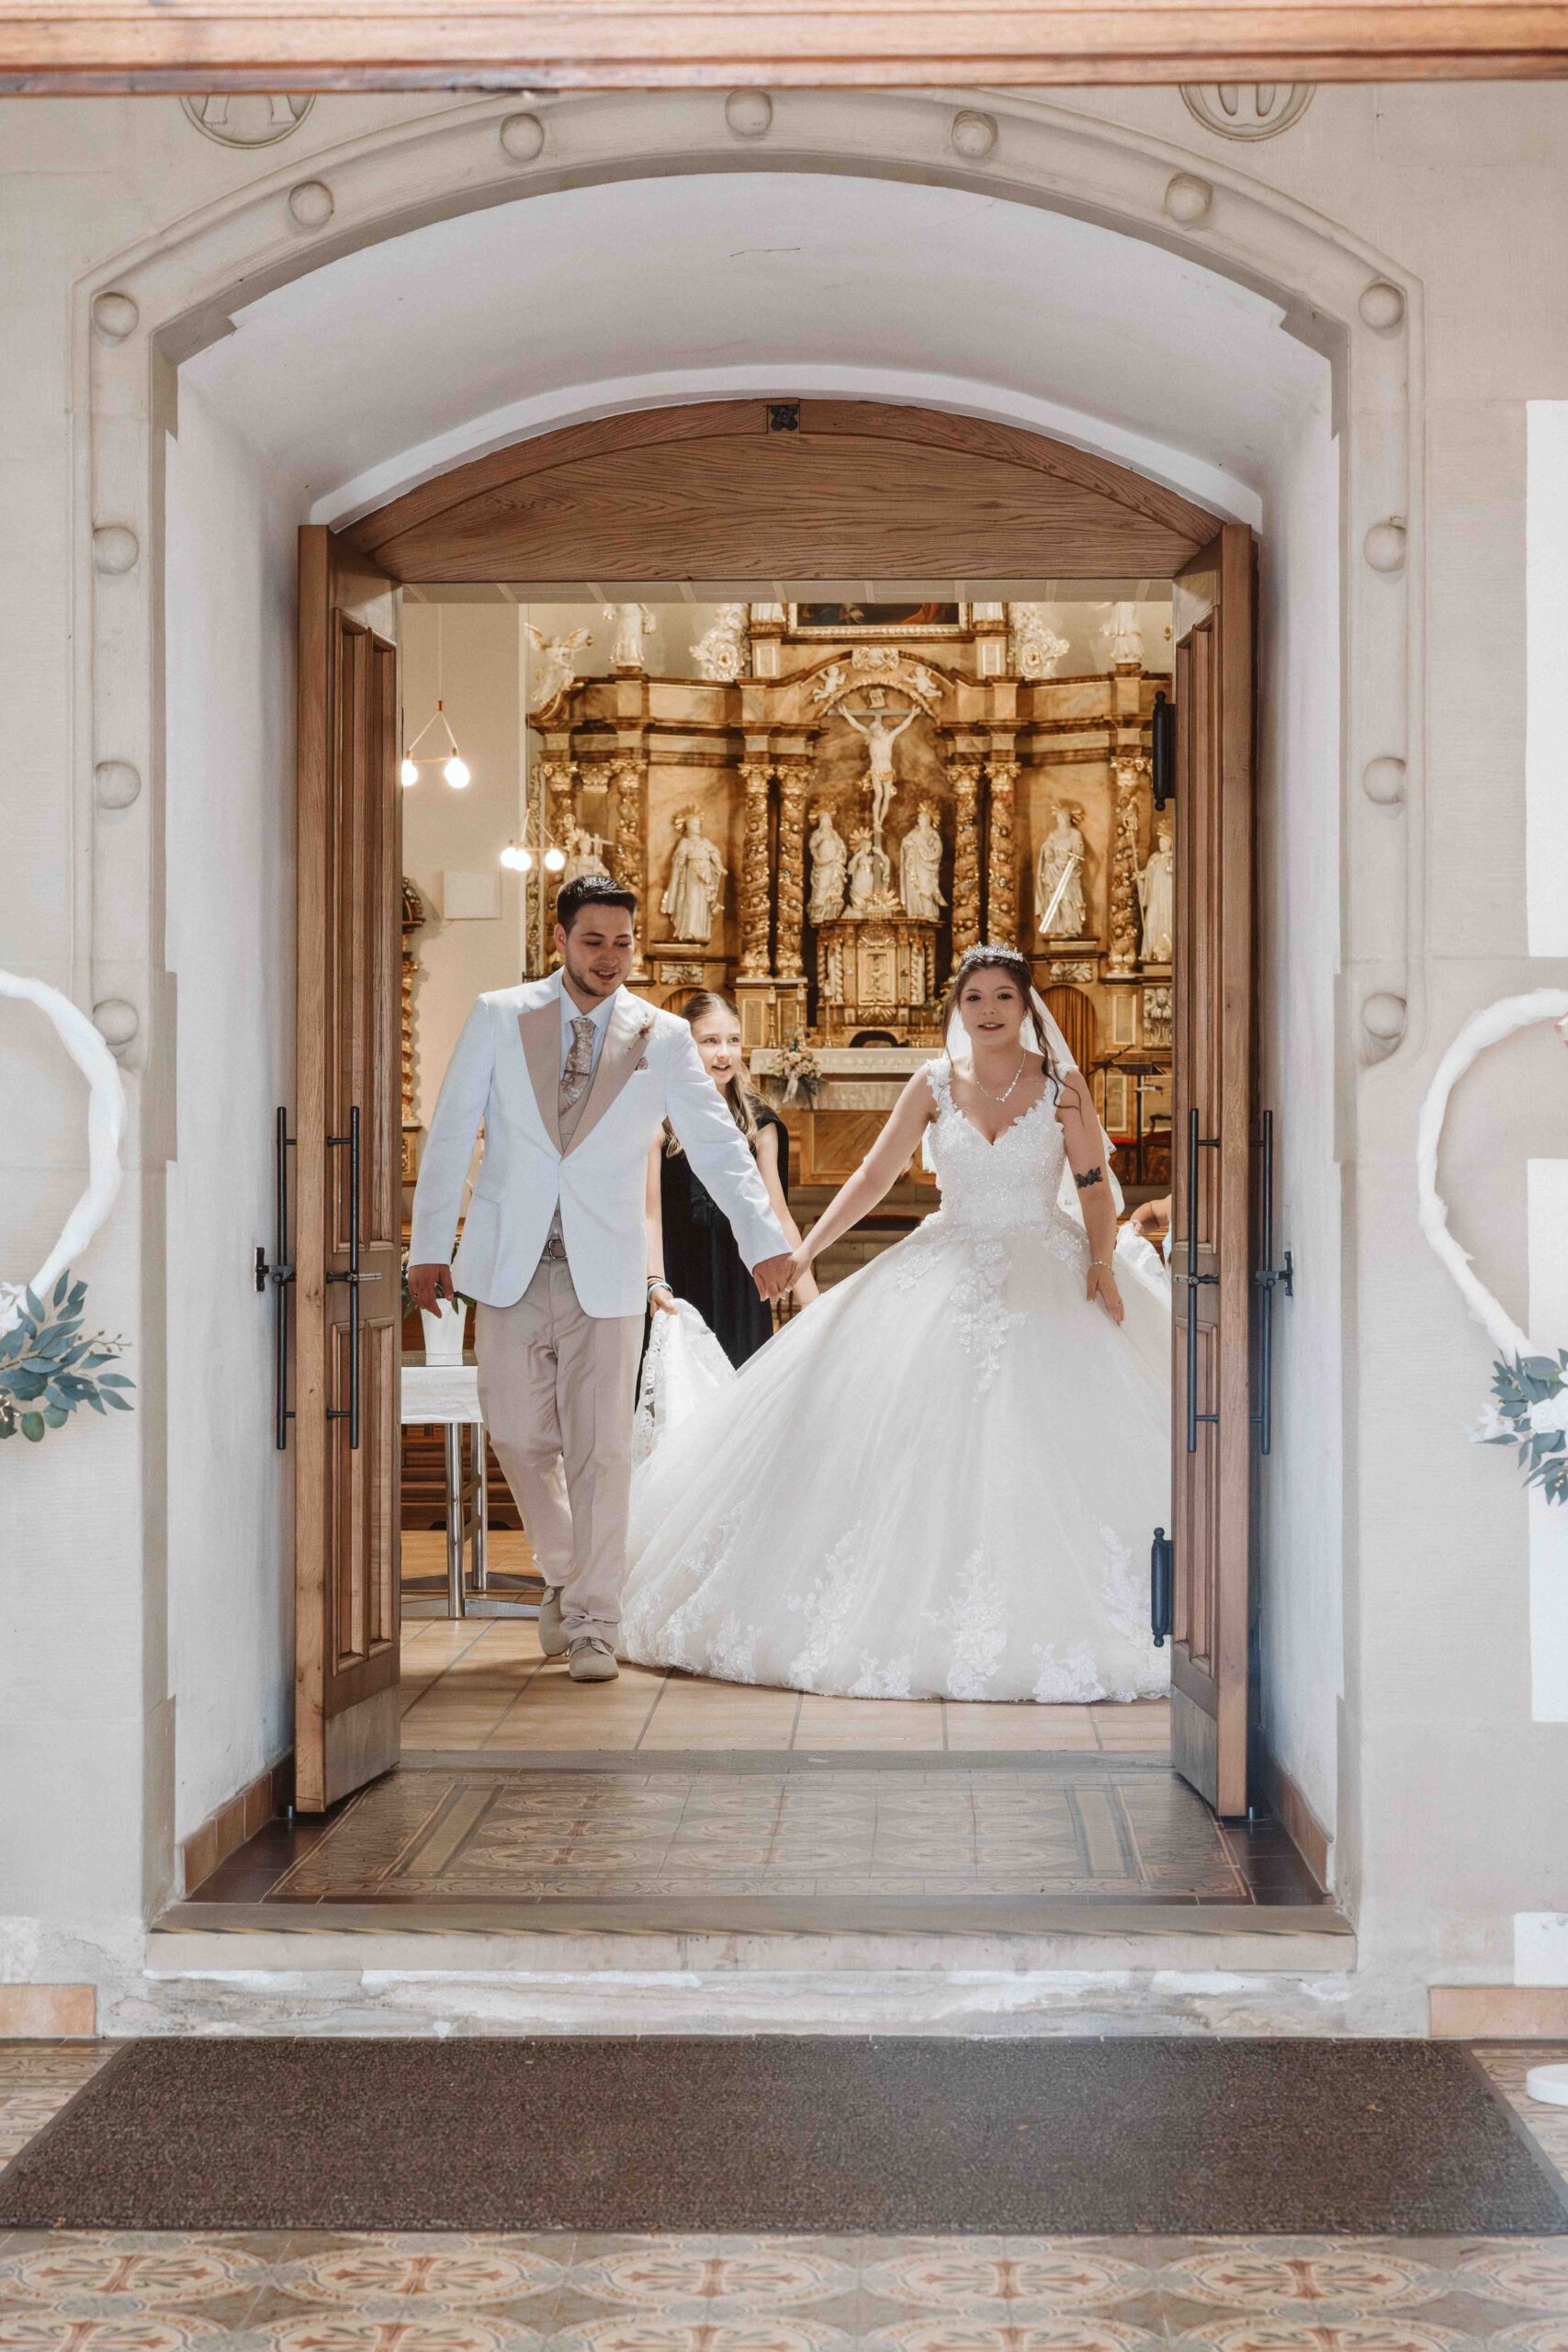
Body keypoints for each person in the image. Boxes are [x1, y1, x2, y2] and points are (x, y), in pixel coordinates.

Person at [619, 943, 1169, 1704]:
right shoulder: (932, 1082)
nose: (987, 1011)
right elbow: (872, 1176)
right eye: (973, 998)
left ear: (1026, 1005)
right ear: (956, 1008)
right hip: (945, 1259)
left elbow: (1092, 1187)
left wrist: (1101, 1262)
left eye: (1002, 997)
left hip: (1044, 1265)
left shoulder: (1062, 1087)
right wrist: (802, 1251)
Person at [406, 876, 793, 1683]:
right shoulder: (498, 1015)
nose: (610, 958)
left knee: (602, 1453)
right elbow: (449, 1135)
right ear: (559, 938)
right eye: (593, 942)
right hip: (509, 1264)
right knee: (516, 1434)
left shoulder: (659, 1035)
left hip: (606, 1270)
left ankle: (594, 1624)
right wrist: (428, 1247)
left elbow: (718, 1146)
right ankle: (564, 1571)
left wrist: (764, 1242)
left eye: (622, 943)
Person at [646, 991, 818, 1367]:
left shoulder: (759, 1124)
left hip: (740, 1278)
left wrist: (812, 1303)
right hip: (679, 1272)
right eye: (710, 1041)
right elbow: (650, 1216)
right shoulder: (658, 1120)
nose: (724, 1054)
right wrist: (655, 1283)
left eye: (733, 1040)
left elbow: (778, 1214)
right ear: (684, 1045)